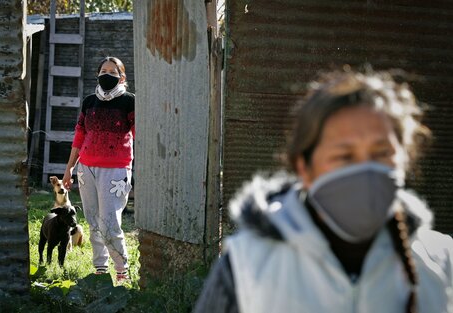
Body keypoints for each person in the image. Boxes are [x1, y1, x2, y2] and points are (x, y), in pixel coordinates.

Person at [193, 68, 453, 313]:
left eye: (382, 153)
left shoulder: (442, 261)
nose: (365, 171)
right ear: (304, 169)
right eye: (344, 156)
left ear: (404, 160)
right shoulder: (247, 265)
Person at [62, 56, 134, 283]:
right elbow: (79, 135)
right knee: (93, 221)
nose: (107, 75)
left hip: (115, 170)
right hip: (86, 169)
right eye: (104, 70)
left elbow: (139, 134)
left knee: (110, 223)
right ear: (97, 73)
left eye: (113, 72)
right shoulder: (89, 102)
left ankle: (122, 271)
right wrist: (69, 168)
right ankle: (100, 270)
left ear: (122, 77)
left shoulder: (130, 101)